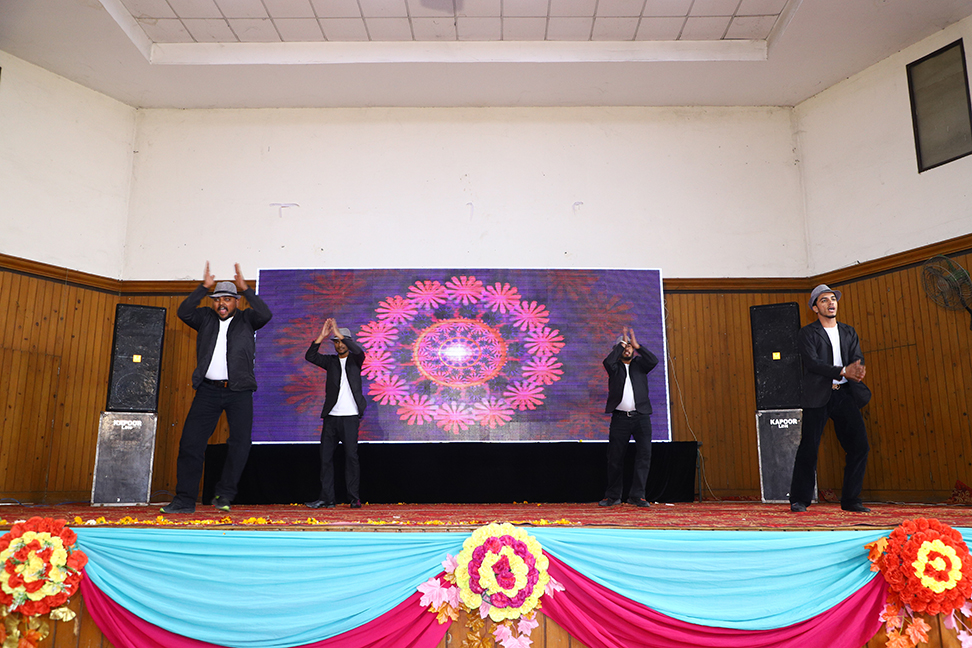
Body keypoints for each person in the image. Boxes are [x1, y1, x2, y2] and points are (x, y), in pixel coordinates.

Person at [161, 262, 273, 514]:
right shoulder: (204, 318)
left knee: (240, 444)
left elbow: (266, 314)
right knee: (190, 443)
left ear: (236, 302)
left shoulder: (247, 319)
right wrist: (203, 288)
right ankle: (184, 500)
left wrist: (246, 289)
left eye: (227, 299)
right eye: (217, 299)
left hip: (239, 392)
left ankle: (225, 495)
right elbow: (183, 311)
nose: (221, 304)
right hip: (208, 391)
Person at [789, 284, 872, 513]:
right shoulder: (807, 333)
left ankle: (851, 499)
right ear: (815, 308)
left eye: (833, 299)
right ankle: (799, 499)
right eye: (824, 300)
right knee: (809, 447)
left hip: (844, 394)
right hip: (818, 395)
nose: (830, 303)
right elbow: (813, 364)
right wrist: (843, 371)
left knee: (859, 446)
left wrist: (856, 369)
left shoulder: (848, 331)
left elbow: (857, 357)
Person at [304, 318, 367, 509]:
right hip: (331, 417)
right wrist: (322, 336)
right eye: (336, 342)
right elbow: (310, 356)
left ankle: (354, 498)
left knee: (351, 458)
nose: (339, 345)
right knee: (326, 458)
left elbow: (359, 351)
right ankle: (327, 498)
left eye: (342, 341)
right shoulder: (330, 362)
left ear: (348, 341)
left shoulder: (356, 360)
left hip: (350, 417)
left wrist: (339, 333)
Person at [599, 326, 659, 508]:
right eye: (624, 347)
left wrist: (638, 346)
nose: (627, 349)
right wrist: (622, 344)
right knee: (615, 457)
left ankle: (637, 495)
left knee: (644, 456)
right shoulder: (614, 367)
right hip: (620, 419)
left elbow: (653, 360)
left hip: (641, 418)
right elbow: (608, 361)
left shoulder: (640, 365)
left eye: (629, 347)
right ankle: (613, 496)